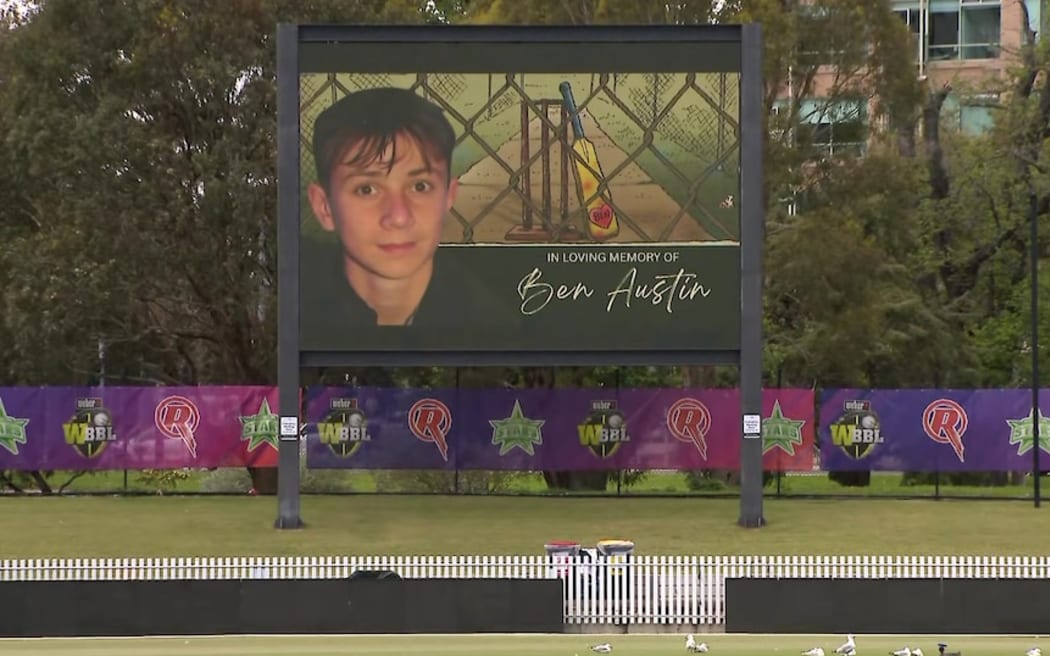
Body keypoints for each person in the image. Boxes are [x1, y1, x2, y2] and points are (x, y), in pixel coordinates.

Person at [300, 86, 522, 349]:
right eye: (367, 189)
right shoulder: (291, 308)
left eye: (420, 187)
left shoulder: (493, 326)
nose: (398, 217)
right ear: (324, 207)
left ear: (448, 197)